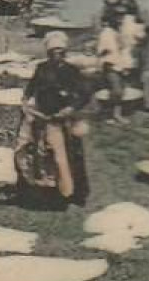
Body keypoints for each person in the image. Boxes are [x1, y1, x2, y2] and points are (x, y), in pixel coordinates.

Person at [12, 32, 91, 208]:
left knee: (66, 156)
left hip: (64, 120)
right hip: (43, 117)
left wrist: (70, 109)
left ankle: (69, 193)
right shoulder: (41, 68)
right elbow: (31, 89)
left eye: (60, 51)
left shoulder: (72, 71)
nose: (57, 55)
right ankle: (41, 189)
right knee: (39, 154)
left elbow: (84, 94)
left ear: (65, 52)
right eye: (54, 51)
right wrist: (26, 103)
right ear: (48, 53)